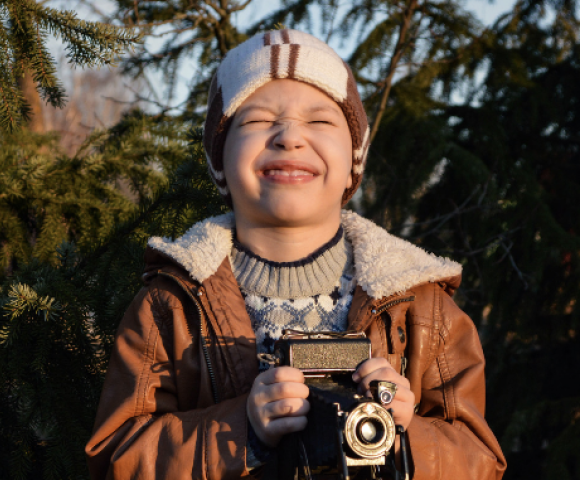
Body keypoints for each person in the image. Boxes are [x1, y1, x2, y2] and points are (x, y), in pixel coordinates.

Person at [85, 29, 507, 480]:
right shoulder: (173, 306)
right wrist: (241, 431)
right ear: (219, 161)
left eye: (321, 121)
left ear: (353, 162)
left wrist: (405, 435)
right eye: (257, 120)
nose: (289, 137)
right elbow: (118, 457)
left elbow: (480, 459)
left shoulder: (420, 307)